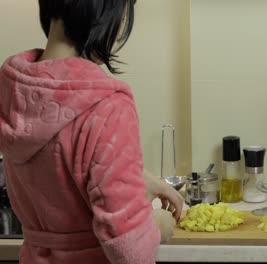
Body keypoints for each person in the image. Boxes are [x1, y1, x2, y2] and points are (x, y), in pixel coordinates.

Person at [0, 0, 184, 263]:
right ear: (104, 10)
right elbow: (128, 248)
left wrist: (137, 176)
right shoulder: (106, 104)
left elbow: (56, 165)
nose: (120, 31)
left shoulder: (15, 91)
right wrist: (157, 224)